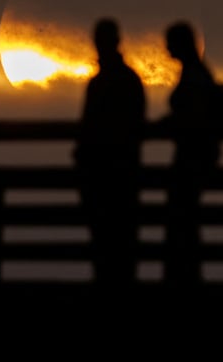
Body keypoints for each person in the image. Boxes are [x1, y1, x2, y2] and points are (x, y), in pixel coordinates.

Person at [159, 21, 223, 287]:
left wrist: (170, 123)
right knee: (185, 217)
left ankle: (183, 277)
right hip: (198, 155)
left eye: (170, 43)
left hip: (192, 157)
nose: (167, 49)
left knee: (182, 216)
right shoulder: (197, 72)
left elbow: (192, 113)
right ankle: (187, 275)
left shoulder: (194, 75)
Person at [73, 18, 146, 289]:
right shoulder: (129, 80)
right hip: (124, 175)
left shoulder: (104, 83)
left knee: (106, 242)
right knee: (121, 243)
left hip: (106, 176)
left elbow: (90, 127)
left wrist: (83, 159)